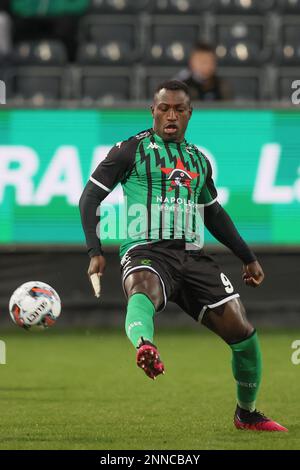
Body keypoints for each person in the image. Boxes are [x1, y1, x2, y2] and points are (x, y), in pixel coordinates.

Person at [79, 80, 287, 432]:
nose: (171, 115)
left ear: (190, 113)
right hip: (146, 249)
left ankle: (246, 413)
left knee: (244, 334)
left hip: (192, 257)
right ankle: (145, 345)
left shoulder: (198, 161)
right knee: (144, 288)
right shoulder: (129, 151)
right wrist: (94, 251)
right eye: (164, 108)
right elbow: (89, 198)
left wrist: (247, 256)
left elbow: (213, 213)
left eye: (179, 109)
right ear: (153, 112)